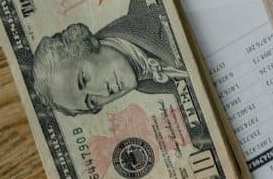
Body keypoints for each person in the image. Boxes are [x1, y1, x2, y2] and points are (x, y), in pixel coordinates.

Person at [32, 10, 190, 116]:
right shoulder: (153, 86)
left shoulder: (151, 9)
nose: (104, 93)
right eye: (91, 102)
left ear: (84, 44)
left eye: (84, 79)